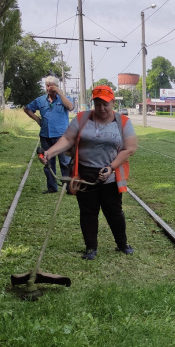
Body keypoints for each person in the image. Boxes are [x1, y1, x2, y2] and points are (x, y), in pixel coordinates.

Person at [40, 85, 138, 260]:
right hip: (84, 175)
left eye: (105, 104)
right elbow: (67, 139)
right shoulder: (82, 118)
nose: (101, 108)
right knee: (88, 212)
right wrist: (49, 153)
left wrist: (111, 167)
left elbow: (129, 149)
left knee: (114, 212)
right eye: (98, 104)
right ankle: (91, 247)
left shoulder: (122, 122)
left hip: (110, 174)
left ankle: (122, 244)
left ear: (113, 102)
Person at [25, 76, 74, 193]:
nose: (49, 87)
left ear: (56, 86)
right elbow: (27, 109)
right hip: (45, 135)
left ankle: (68, 187)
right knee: (48, 162)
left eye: (51, 85)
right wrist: (37, 119)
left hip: (62, 136)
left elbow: (71, 107)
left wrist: (60, 93)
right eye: (47, 85)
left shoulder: (64, 99)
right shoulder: (41, 100)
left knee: (65, 162)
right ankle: (52, 187)